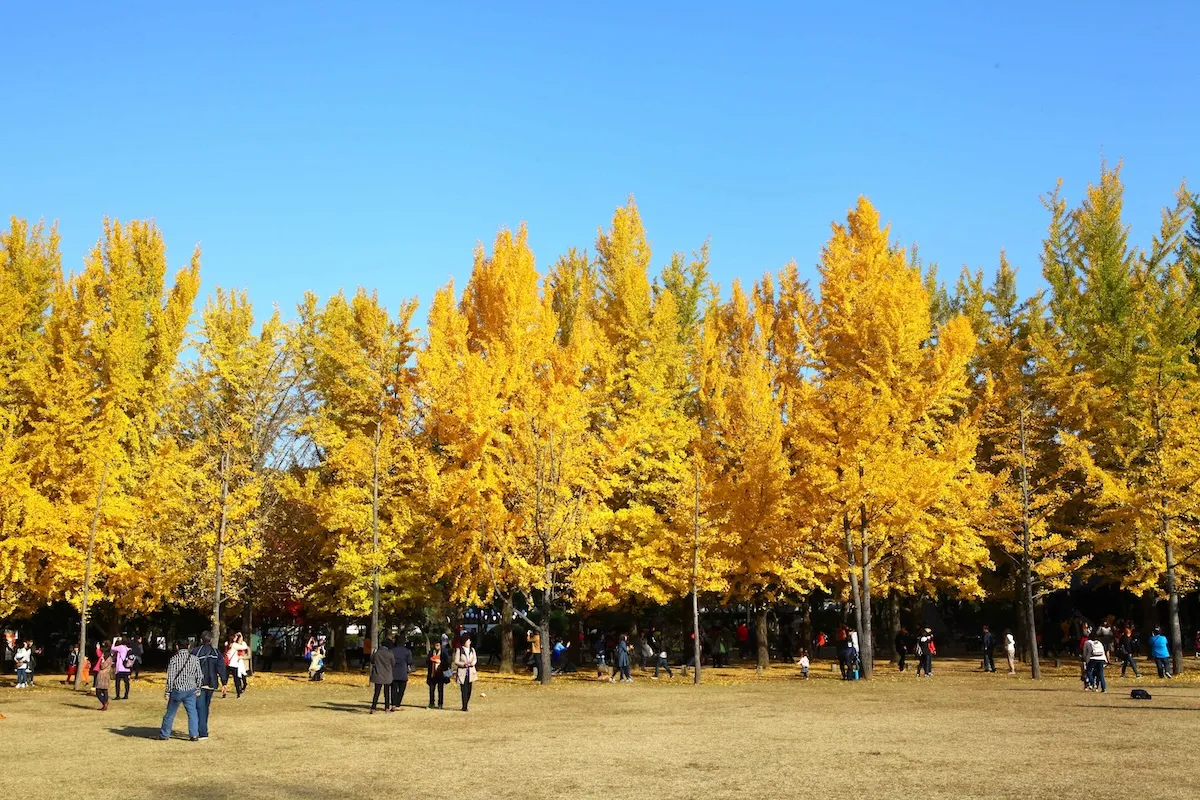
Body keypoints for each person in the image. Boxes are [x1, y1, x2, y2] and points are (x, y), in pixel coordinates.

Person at [159, 641, 203, 741]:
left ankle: (164, 734)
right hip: (191, 690)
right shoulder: (194, 659)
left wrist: (167, 692)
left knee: (170, 713)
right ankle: (194, 734)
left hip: (177, 690)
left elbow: (170, 677)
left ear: (177, 646)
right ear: (188, 646)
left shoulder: (174, 659)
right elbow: (199, 675)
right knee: (192, 713)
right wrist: (198, 688)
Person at [191, 631, 227, 741]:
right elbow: (221, 668)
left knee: (200, 707)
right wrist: (224, 682)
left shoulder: (196, 652)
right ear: (211, 640)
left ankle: (202, 732)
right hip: (212, 684)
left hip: (199, 684)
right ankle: (202, 728)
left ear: (201, 640)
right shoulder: (216, 653)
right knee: (205, 707)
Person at [369, 638, 395, 714]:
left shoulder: (377, 652)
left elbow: (371, 660)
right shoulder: (390, 653)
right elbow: (393, 663)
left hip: (378, 674)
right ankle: (387, 708)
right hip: (387, 674)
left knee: (376, 692)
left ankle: (373, 708)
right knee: (387, 692)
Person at [454, 633, 478, 712]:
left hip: (470, 672)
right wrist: (463, 664)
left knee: (469, 690)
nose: (469, 642)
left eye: (469, 641)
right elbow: (456, 661)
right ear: (464, 642)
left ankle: (466, 702)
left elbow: (475, 659)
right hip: (463, 672)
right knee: (464, 689)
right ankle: (464, 706)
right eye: (468, 641)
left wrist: (472, 663)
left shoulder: (472, 650)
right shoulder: (459, 650)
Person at [390, 638, 413, 709]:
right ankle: (398, 703)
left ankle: (393, 703)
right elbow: (410, 661)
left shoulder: (392, 650)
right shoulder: (407, 651)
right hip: (403, 672)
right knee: (401, 689)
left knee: (393, 689)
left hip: (393, 672)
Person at [226, 632, 250, 698]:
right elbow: (244, 647)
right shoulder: (234, 645)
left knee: (225, 679)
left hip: (228, 663)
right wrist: (241, 636)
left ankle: (224, 692)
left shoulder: (227, 643)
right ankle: (238, 693)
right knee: (237, 679)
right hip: (234, 664)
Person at [94, 645, 113, 710]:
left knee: (98, 691)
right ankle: (105, 705)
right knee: (105, 691)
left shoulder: (107, 659)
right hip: (106, 675)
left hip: (102, 675)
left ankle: (105, 702)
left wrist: (102, 660)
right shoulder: (110, 658)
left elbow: (102, 666)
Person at [426, 643, 444, 709]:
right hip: (432, 673)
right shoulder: (431, 652)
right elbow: (427, 661)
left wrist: (440, 661)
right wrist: (431, 660)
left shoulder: (443, 652)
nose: (436, 647)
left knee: (440, 689)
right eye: (435, 645)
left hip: (440, 673)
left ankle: (440, 703)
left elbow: (447, 662)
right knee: (431, 689)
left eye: (438, 645)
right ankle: (431, 703)